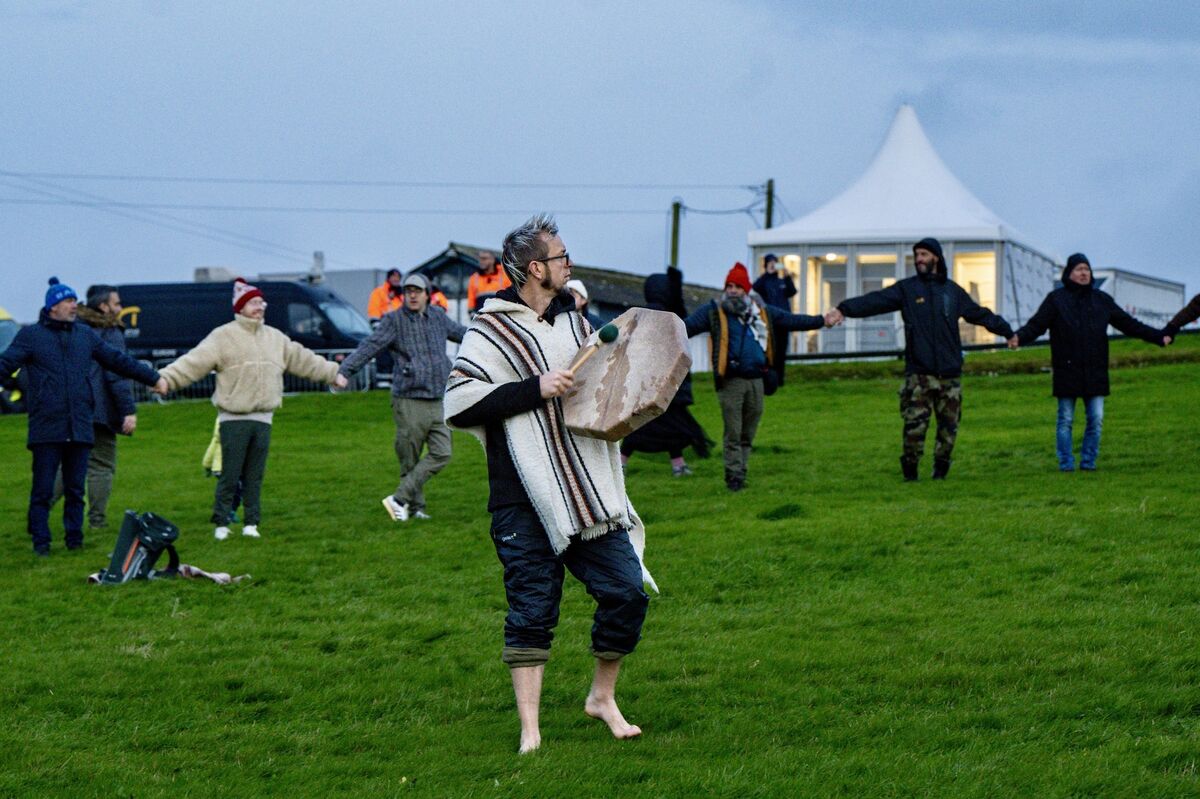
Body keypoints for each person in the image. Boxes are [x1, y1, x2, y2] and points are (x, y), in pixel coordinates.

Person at [445, 214, 654, 754]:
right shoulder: (489, 330)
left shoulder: (578, 326)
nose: (569, 263)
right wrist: (533, 387)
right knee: (532, 610)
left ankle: (602, 697)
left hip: (587, 490)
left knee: (626, 592)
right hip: (521, 495)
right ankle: (531, 732)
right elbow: (460, 402)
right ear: (535, 268)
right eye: (561, 256)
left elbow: (605, 387)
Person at [157, 278, 347, 540]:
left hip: (264, 419)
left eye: (261, 302)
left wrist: (333, 373)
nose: (260, 307)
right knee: (229, 476)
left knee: (254, 477)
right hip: (233, 419)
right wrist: (166, 379)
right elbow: (193, 362)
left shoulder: (276, 338)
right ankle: (221, 523)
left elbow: (304, 359)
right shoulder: (222, 337)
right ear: (241, 307)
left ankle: (251, 524)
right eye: (254, 303)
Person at [826, 238, 1014, 481]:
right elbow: (875, 301)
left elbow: (979, 314)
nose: (919, 260)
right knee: (914, 428)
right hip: (919, 375)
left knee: (949, 430)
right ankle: (910, 473)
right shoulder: (907, 290)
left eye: (924, 254)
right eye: (916, 255)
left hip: (949, 375)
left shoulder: (952, 291)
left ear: (936, 257)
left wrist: (1007, 332)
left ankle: (941, 471)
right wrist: (843, 309)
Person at [0, 277, 165, 555]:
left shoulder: (85, 335)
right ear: (53, 307)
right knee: (42, 490)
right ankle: (41, 543)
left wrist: (153, 377)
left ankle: (74, 541)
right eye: (68, 301)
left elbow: (117, 361)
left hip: (80, 424)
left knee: (76, 491)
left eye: (75, 300)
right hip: (46, 426)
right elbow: (5, 364)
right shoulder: (31, 336)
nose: (74, 305)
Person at [1009, 253, 1169, 471]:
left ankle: (1088, 462)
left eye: (1087, 269)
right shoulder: (1056, 300)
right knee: (1065, 420)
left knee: (1096, 419)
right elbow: (1036, 325)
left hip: (1095, 371)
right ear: (1069, 273)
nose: (1084, 273)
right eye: (1079, 269)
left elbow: (1129, 324)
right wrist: (1018, 337)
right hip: (1067, 370)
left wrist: (1158, 337)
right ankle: (1066, 463)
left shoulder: (1101, 300)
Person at [685, 262, 825, 491]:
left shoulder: (762, 313)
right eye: (729, 286)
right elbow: (685, 328)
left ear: (746, 289)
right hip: (731, 381)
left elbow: (791, 320)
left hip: (757, 380)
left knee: (748, 433)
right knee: (733, 432)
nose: (732, 290)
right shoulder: (714, 311)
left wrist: (822, 320)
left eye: (737, 286)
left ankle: (742, 471)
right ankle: (734, 478)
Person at [338, 272, 467, 521]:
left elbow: (464, 333)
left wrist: (493, 331)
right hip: (409, 399)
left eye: (417, 291)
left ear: (427, 294)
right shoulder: (394, 320)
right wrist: (345, 370)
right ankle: (415, 508)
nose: (412, 295)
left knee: (442, 453)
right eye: (408, 291)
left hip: (438, 398)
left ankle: (398, 499)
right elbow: (370, 346)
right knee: (409, 457)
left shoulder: (438, 316)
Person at [50, 284, 137, 530]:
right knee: (101, 465)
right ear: (103, 306)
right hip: (98, 410)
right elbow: (117, 374)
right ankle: (97, 521)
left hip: (70, 407)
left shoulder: (73, 328)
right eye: (116, 303)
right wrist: (128, 410)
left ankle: (40, 508)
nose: (120, 308)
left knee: (67, 464)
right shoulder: (110, 331)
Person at [620, 266, 711, 476]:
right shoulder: (668, 317)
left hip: (646, 385)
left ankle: (675, 465)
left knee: (655, 425)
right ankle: (625, 463)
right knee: (667, 426)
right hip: (666, 384)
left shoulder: (641, 315)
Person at [466, 249, 512, 313]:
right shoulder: (474, 278)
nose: (481, 261)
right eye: (480, 259)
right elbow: (471, 302)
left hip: (501, 315)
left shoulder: (505, 275)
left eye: (484, 258)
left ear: (492, 260)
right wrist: (471, 312)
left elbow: (511, 297)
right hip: (482, 316)